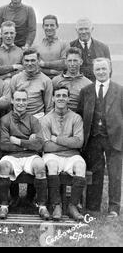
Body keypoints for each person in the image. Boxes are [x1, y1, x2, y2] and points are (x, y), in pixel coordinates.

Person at [77, 58, 123, 219]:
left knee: (115, 173)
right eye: (98, 69)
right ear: (94, 71)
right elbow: (81, 113)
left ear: (110, 70)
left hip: (115, 138)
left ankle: (114, 207)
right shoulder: (86, 91)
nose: (101, 72)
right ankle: (93, 205)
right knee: (95, 172)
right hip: (93, 138)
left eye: (104, 69)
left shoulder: (120, 90)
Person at [0, 90, 47, 220]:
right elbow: (4, 144)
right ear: (13, 101)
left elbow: (39, 145)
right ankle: (3, 205)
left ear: (27, 101)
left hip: (31, 155)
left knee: (40, 165)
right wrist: (28, 142)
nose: (21, 103)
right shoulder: (4, 120)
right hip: (12, 156)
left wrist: (18, 141)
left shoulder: (34, 120)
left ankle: (42, 206)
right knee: (3, 165)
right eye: (18, 100)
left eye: (24, 100)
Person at [41, 86, 86, 221]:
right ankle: (57, 205)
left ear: (68, 98)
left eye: (64, 96)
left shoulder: (76, 118)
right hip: (52, 156)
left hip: (72, 155)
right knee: (53, 165)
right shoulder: (46, 119)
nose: (61, 98)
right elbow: (46, 146)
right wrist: (68, 143)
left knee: (80, 165)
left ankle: (72, 205)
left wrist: (57, 139)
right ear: (53, 98)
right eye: (58, 95)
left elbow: (79, 142)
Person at [9, 48, 53, 118]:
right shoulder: (15, 79)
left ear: (38, 61)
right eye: (27, 61)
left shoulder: (46, 81)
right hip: (19, 117)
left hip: (38, 117)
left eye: (33, 60)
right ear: (22, 62)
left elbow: (49, 107)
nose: (29, 63)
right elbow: (11, 103)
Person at [51, 47, 92, 112]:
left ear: (81, 62)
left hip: (78, 118)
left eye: (75, 61)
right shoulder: (56, 81)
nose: (72, 64)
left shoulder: (88, 84)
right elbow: (51, 103)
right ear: (65, 62)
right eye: (70, 61)